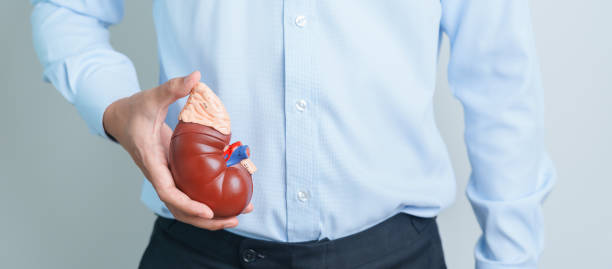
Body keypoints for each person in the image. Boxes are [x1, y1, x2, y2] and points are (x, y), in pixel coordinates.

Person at [31, 1, 556, 268]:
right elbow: (68, 9)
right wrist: (117, 111)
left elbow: (500, 81)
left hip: (394, 254)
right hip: (197, 253)